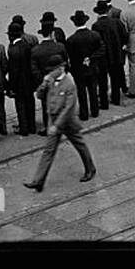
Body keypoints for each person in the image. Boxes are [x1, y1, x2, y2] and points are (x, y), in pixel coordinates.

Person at [24, 60, 96, 192]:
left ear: (61, 68)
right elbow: (39, 96)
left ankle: (90, 169)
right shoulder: (51, 80)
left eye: (53, 69)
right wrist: (43, 84)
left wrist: (56, 126)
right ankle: (38, 181)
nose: (51, 72)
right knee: (48, 151)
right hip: (54, 120)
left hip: (67, 122)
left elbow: (69, 107)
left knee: (80, 145)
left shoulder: (69, 83)